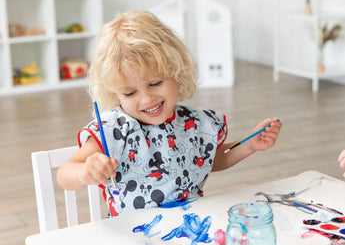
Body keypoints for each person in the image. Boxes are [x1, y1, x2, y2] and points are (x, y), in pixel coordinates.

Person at [57, 11, 282, 217]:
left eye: (155, 83)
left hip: (190, 227)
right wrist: (85, 172)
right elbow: (64, 174)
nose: (146, 99)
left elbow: (211, 160)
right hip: (135, 236)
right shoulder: (114, 130)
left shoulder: (194, 123)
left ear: (176, 71)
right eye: (130, 92)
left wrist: (249, 145)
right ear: (115, 93)